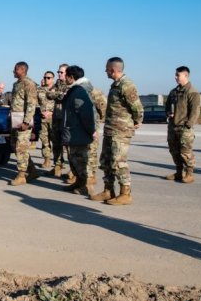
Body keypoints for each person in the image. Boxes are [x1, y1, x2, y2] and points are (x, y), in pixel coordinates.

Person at [90, 57, 143, 205]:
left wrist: (137, 121)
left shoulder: (126, 85)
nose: (105, 71)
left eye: (107, 68)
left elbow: (137, 107)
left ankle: (125, 193)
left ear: (113, 70)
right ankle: (108, 190)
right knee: (106, 161)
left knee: (119, 161)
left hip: (121, 131)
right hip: (111, 129)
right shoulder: (115, 85)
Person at [61, 65, 97, 196]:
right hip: (73, 132)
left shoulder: (79, 91)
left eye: (66, 75)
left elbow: (86, 114)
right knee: (74, 159)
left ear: (71, 77)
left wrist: (91, 130)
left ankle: (86, 186)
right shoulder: (74, 90)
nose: (64, 78)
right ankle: (79, 183)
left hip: (79, 132)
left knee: (81, 161)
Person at [165, 66, 200, 183]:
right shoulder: (173, 92)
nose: (175, 77)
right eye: (175, 75)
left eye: (177, 75)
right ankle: (179, 172)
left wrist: (188, 125)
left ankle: (189, 173)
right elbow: (167, 105)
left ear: (186, 76)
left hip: (184, 127)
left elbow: (195, 111)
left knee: (185, 152)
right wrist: (168, 113)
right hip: (173, 126)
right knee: (174, 151)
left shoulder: (192, 92)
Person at [9, 61, 39, 186]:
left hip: (23, 122)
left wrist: (26, 122)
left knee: (21, 148)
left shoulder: (28, 84)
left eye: (16, 69)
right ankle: (32, 170)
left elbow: (31, 104)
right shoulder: (17, 84)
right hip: (15, 121)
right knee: (15, 146)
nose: (13, 71)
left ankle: (21, 175)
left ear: (22, 70)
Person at [46, 64, 69, 178]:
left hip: (66, 119)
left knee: (69, 146)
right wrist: (60, 94)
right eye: (58, 72)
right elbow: (49, 94)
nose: (59, 74)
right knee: (56, 144)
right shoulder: (57, 84)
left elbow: (66, 96)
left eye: (61, 72)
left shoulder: (70, 84)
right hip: (56, 118)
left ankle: (73, 172)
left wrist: (59, 95)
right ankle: (57, 167)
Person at [88, 87, 107, 184]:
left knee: (91, 150)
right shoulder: (71, 89)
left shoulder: (93, 91)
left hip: (91, 125)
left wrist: (98, 120)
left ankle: (91, 176)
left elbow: (103, 108)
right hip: (78, 125)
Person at [37, 71, 56, 169]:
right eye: (45, 77)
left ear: (53, 79)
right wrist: (40, 112)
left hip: (54, 119)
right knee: (44, 140)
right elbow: (36, 103)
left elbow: (60, 104)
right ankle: (47, 159)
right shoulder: (39, 90)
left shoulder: (57, 90)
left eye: (48, 78)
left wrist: (52, 112)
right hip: (42, 119)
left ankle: (58, 163)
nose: (46, 79)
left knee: (56, 141)